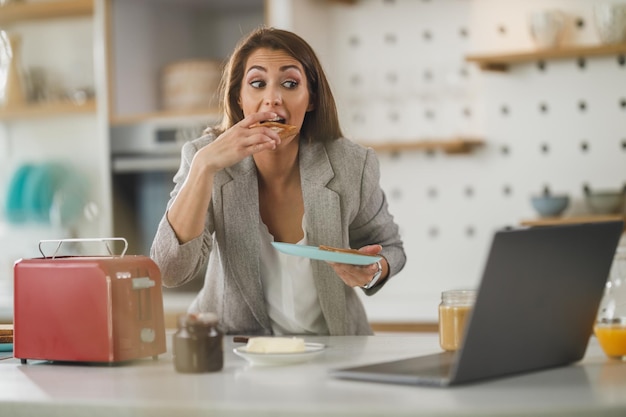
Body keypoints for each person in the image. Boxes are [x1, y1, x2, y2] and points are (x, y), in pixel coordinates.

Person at [151, 26, 406, 336]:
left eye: (290, 83)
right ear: (239, 98)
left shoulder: (351, 164)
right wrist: (203, 167)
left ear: (310, 98)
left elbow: (390, 247)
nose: (272, 98)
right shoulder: (204, 158)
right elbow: (169, 271)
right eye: (257, 84)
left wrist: (374, 268)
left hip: (334, 349)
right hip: (236, 350)